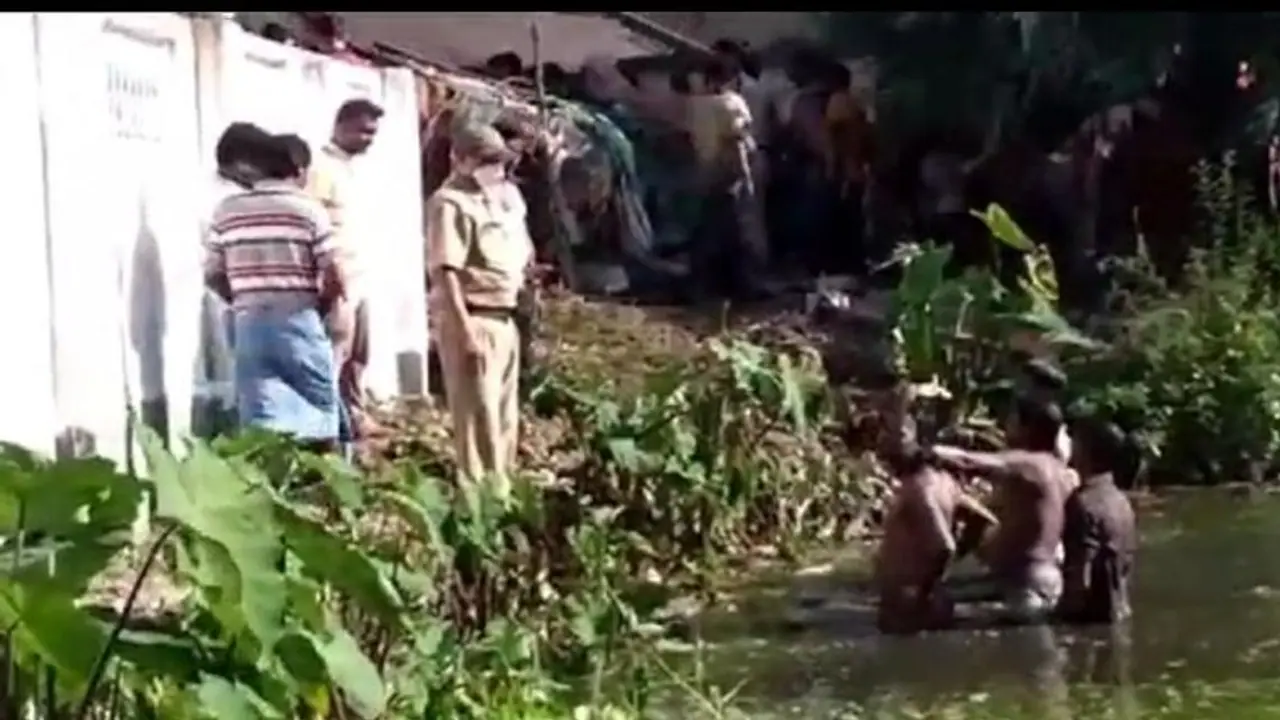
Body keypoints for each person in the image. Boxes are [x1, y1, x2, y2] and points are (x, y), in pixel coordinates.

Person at [204, 134, 344, 447]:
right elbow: (334, 272)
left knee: (262, 413)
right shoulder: (308, 209)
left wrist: (241, 299)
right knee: (319, 408)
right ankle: (324, 485)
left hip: (248, 322)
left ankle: (271, 485)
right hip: (299, 316)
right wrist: (322, 305)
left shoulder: (225, 210)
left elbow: (213, 274)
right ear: (297, 170)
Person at [425, 123, 532, 498]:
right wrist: (464, 331)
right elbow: (445, 272)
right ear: (461, 159)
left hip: (504, 316)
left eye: (497, 161)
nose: (494, 168)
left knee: (503, 415)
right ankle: (477, 499)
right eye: (484, 160)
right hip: (472, 316)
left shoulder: (499, 199)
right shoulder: (448, 203)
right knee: (476, 416)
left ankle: (501, 491)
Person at [931, 398, 1073, 624]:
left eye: (1012, 420)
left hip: (1023, 585)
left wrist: (925, 452)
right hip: (1049, 582)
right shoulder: (1063, 473)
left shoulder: (1029, 464)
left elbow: (966, 460)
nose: (1007, 426)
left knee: (929, 603)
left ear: (1027, 428)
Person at [306, 98, 384, 439]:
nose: (369, 139)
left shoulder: (354, 169)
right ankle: (327, 433)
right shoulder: (320, 169)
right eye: (363, 131)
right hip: (338, 281)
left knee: (358, 358)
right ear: (341, 126)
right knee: (334, 359)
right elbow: (313, 222)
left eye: (373, 133)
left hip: (360, 277)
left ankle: (354, 421)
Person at [875, 443, 998, 634]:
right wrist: (961, 553)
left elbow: (945, 546)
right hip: (930, 596)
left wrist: (924, 591)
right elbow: (985, 520)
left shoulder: (918, 488)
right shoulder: (948, 485)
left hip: (909, 599)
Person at [686, 54, 766, 299]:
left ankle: (707, 284)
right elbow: (736, 142)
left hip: (705, 172)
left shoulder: (696, 105)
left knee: (710, 230)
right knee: (737, 231)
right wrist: (746, 177)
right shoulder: (731, 104)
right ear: (730, 78)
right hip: (729, 173)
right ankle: (741, 286)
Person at [1057, 417, 1137, 625]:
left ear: (1085, 449)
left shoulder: (1082, 504)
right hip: (1121, 611)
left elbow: (1080, 581)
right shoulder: (1121, 500)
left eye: (1075, 439)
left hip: (1088, 620)